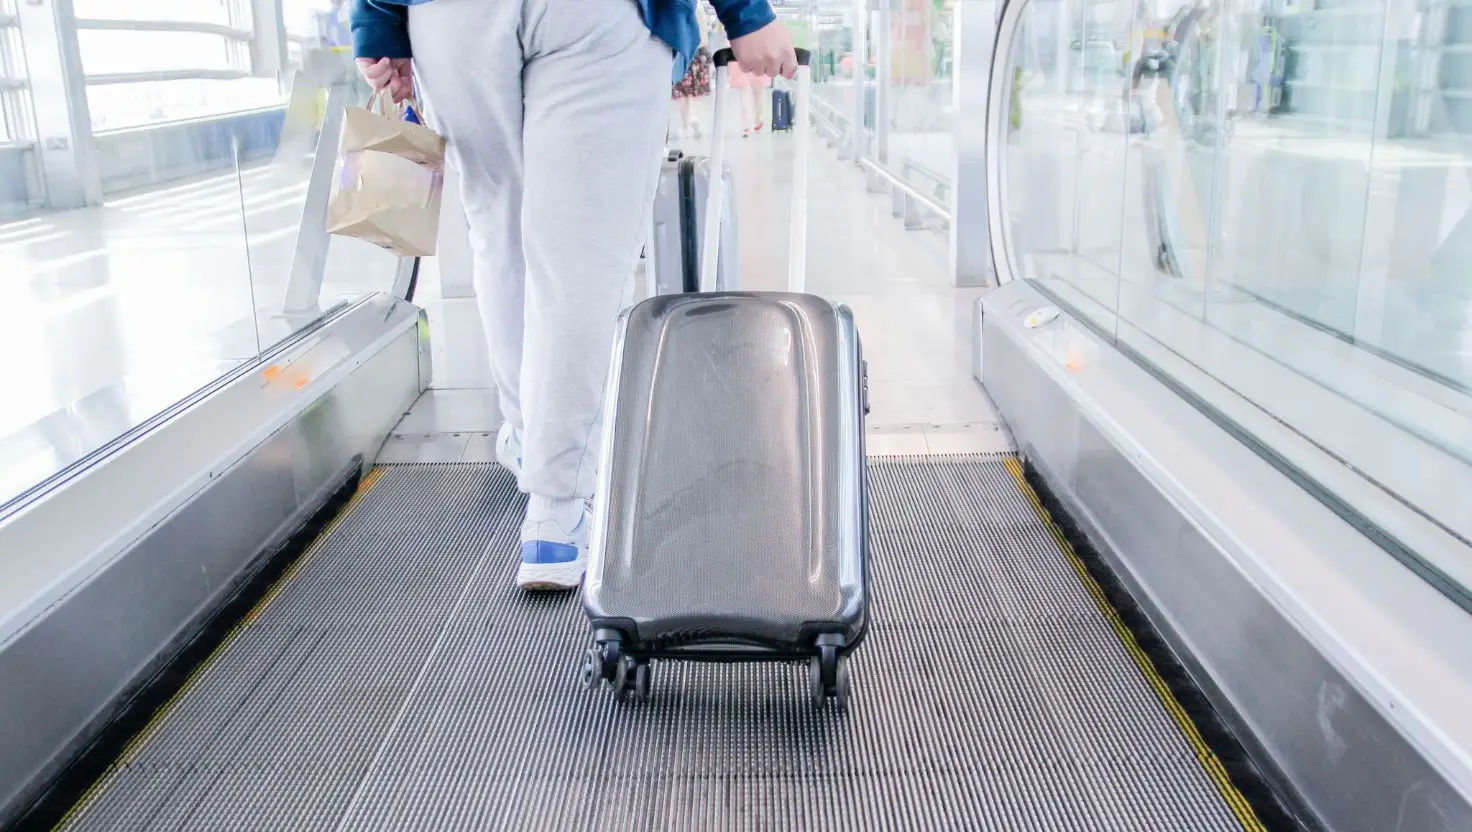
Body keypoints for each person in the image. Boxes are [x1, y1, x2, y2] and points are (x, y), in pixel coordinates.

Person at [349, 0, 796, 591]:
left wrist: (376, 24)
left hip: (454, 18)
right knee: (580, 252)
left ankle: (529, 439)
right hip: (597, 18)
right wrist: (746, 13)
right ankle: (556, 509)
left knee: (500, 232)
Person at [671, 8, 713, 139]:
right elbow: (704, 38)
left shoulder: (681, 9)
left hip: (684, 55)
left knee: (682, 93)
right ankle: (692, 118)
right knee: (692, 93)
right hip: (698, 55)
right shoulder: (698, 9)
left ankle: (686, 125)